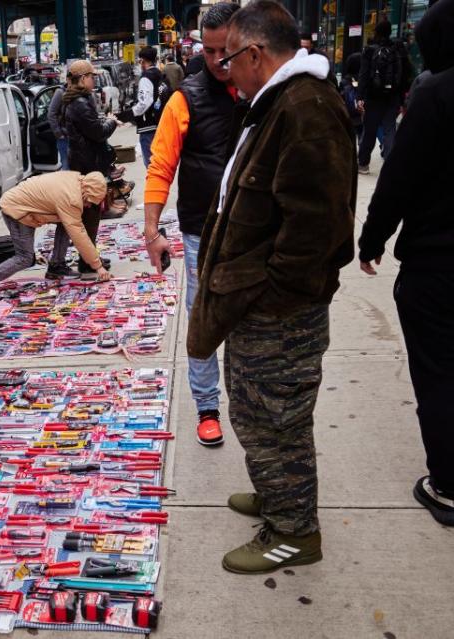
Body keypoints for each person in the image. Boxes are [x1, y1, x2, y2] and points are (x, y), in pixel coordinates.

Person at [189, 0, 355, 573]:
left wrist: (272, 296)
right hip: (262, 307)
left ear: (255, 54)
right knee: (258, 414)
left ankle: (293, 531)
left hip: (281, 313)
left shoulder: (304, 108)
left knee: (276, 420)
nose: (223, 69)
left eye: (229, 58)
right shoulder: (281, 103)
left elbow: (317, 228)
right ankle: (279, 492)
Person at [357, 0, 454, 527]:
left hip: (439, 263)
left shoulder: (436, 94)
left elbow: (400, 179)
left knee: (440, 372)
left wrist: (372, 240)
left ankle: (449, 486)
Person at [143, 1, 240, 447]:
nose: (219, 60)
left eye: (227, 50)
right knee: (202, 316)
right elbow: (161, 167)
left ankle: (246, 401)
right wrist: (151, 230)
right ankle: (207, 406)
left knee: (250, 318)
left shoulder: (265, 91)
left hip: (253, 232)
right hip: (201, 228)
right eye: (210, 50)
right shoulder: (185, 97)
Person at [0, 171, 111, 298]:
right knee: (25, 258)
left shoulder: (76, 180)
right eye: (90, 201)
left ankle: (56, 267)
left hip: (25, 205)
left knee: (67, 224)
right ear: (87, 191)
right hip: (16, 209)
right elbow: (79, 235)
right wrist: (98, 266)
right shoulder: (71, 198)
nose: (89, 205)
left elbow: (72, 226)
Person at [62, 59, 118, 276]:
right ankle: (87, 260)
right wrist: (111, 121)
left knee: (91, 213)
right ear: (83, 79)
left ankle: (89, 255)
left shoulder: (77, 100)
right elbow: (97, 131)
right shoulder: (80, 103)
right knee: (90, 213)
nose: (94, 80)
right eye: (92, 76)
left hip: (84, 162)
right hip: (87, 165)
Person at [357, 19, 414, 173]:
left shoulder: (369, 50)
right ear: (390, 32)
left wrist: (360, 97)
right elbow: (406, 74)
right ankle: (391, 165)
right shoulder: (398, 49)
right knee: (390, 129)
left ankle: (363, 164)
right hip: (393, 97)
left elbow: (363, 76)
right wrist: (402, 97)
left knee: (369, 130)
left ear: (376, 32)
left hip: (373, 97)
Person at [129, 46, 166, 169]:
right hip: (160, 122)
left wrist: (131, 113)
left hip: (148, 126)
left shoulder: (146, 77)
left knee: (151, 164)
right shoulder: (160, 74)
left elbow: (145, 102)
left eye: (140, 61)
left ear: (143, 61)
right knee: (160, 161)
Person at [47, 82, 69, 170]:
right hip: (64, 138)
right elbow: (51, 114)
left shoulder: (78, 93)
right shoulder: (60, 92)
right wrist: (59, 133)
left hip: (75, 137)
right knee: (67, 168)